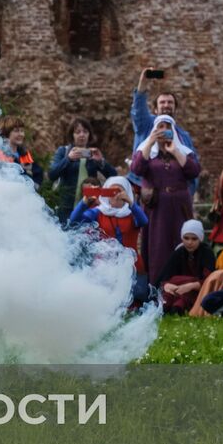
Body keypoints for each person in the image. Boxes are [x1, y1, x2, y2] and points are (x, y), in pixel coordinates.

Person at [130, 115, 200, 291]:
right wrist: (151, 141)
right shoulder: (147, 151)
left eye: (167, 127)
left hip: (180, 207)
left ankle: (183, 288)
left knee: (181, 242)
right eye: (159, 127)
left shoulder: (183, 151)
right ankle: (157, 289)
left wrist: (175, 150)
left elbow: (193, 171)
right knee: (158, 248)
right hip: (157, 208)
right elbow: (137, 169)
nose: (163, 130)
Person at [69, 177, 150, 306]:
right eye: (112, 191)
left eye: (120, 191)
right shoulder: (98, 212)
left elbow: (144, 221)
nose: (116, 195)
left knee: (133, 303)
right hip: (104, 264)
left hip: (131, 264)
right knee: (104, 302)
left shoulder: (131, 213)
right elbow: (74, 221)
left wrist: (130, 202)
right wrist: (84, 202)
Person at [49, 117, 116, 223]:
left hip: (89, 208)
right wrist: (68, 159)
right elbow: (52, 174)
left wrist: (101, 161)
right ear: (72, 135)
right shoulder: (63, 151)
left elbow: (113, 177)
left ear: (89, 134)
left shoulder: (93, 153)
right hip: (65, 207)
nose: (82, 135)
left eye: (85, 131)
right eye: (77, 132)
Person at [158, 220, 216, 314]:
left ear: (200, 239)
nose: (189, 242)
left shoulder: (207, 253)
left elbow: (209, 280)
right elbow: (164, 276)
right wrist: (167, 285)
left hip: (198, 292)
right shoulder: (179, 252)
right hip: (177, 290)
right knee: (168, 295)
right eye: (186, 238)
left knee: (184, 296)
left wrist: (190, 285)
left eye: (194, 239)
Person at [0, 115, 44, 186]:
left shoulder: (23, 153)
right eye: (16, 131)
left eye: (22, 131)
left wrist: (33, 186)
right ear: (7, 133)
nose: (21, 134)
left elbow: (38, 172)